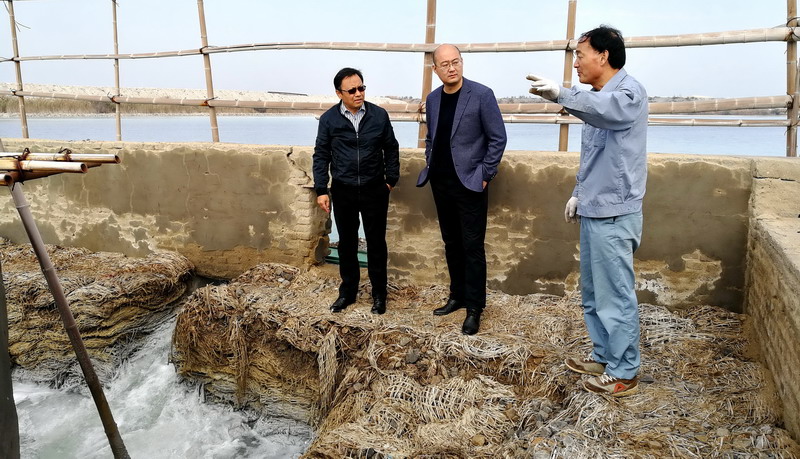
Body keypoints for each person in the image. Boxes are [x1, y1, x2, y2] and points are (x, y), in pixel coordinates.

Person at [528, 25, 648, 397]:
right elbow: (594, 156)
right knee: (594, 294)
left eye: (580, 55)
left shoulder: (628, 93)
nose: (576, 63)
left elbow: (609, 112)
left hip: (615, 213)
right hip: (595, 209)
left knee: (616, 296)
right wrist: (578, 193)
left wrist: (563, 94)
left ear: (603, 55)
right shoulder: (596, 98)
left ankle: (625, 371)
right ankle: (605, 356)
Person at [416, 44, 507, 335]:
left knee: (472, 246)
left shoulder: (481, 94)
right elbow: (432, 138)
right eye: (445, 64)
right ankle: (456, 296)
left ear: (462, 62)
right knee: (451, 243)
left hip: (470, 183)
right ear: (436, 69)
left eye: (455, 62)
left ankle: (474, 308)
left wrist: (485, 175)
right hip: (440, 182)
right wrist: (430, 160)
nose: (451, 68)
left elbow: (498, 138)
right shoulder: (433, 99)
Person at [313, 67, 400, 315]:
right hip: (344, 190)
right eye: (352, 90)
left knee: (376, 244)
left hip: (375, 189)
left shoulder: (379, 115)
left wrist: (390, 180)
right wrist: (321, 189)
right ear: (339, 93)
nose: (358, 93)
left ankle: (379, 295)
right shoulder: (329, 119)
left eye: (361, 88)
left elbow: (391, 148)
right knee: (347, 244)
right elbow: (321, 155)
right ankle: (348, 293)